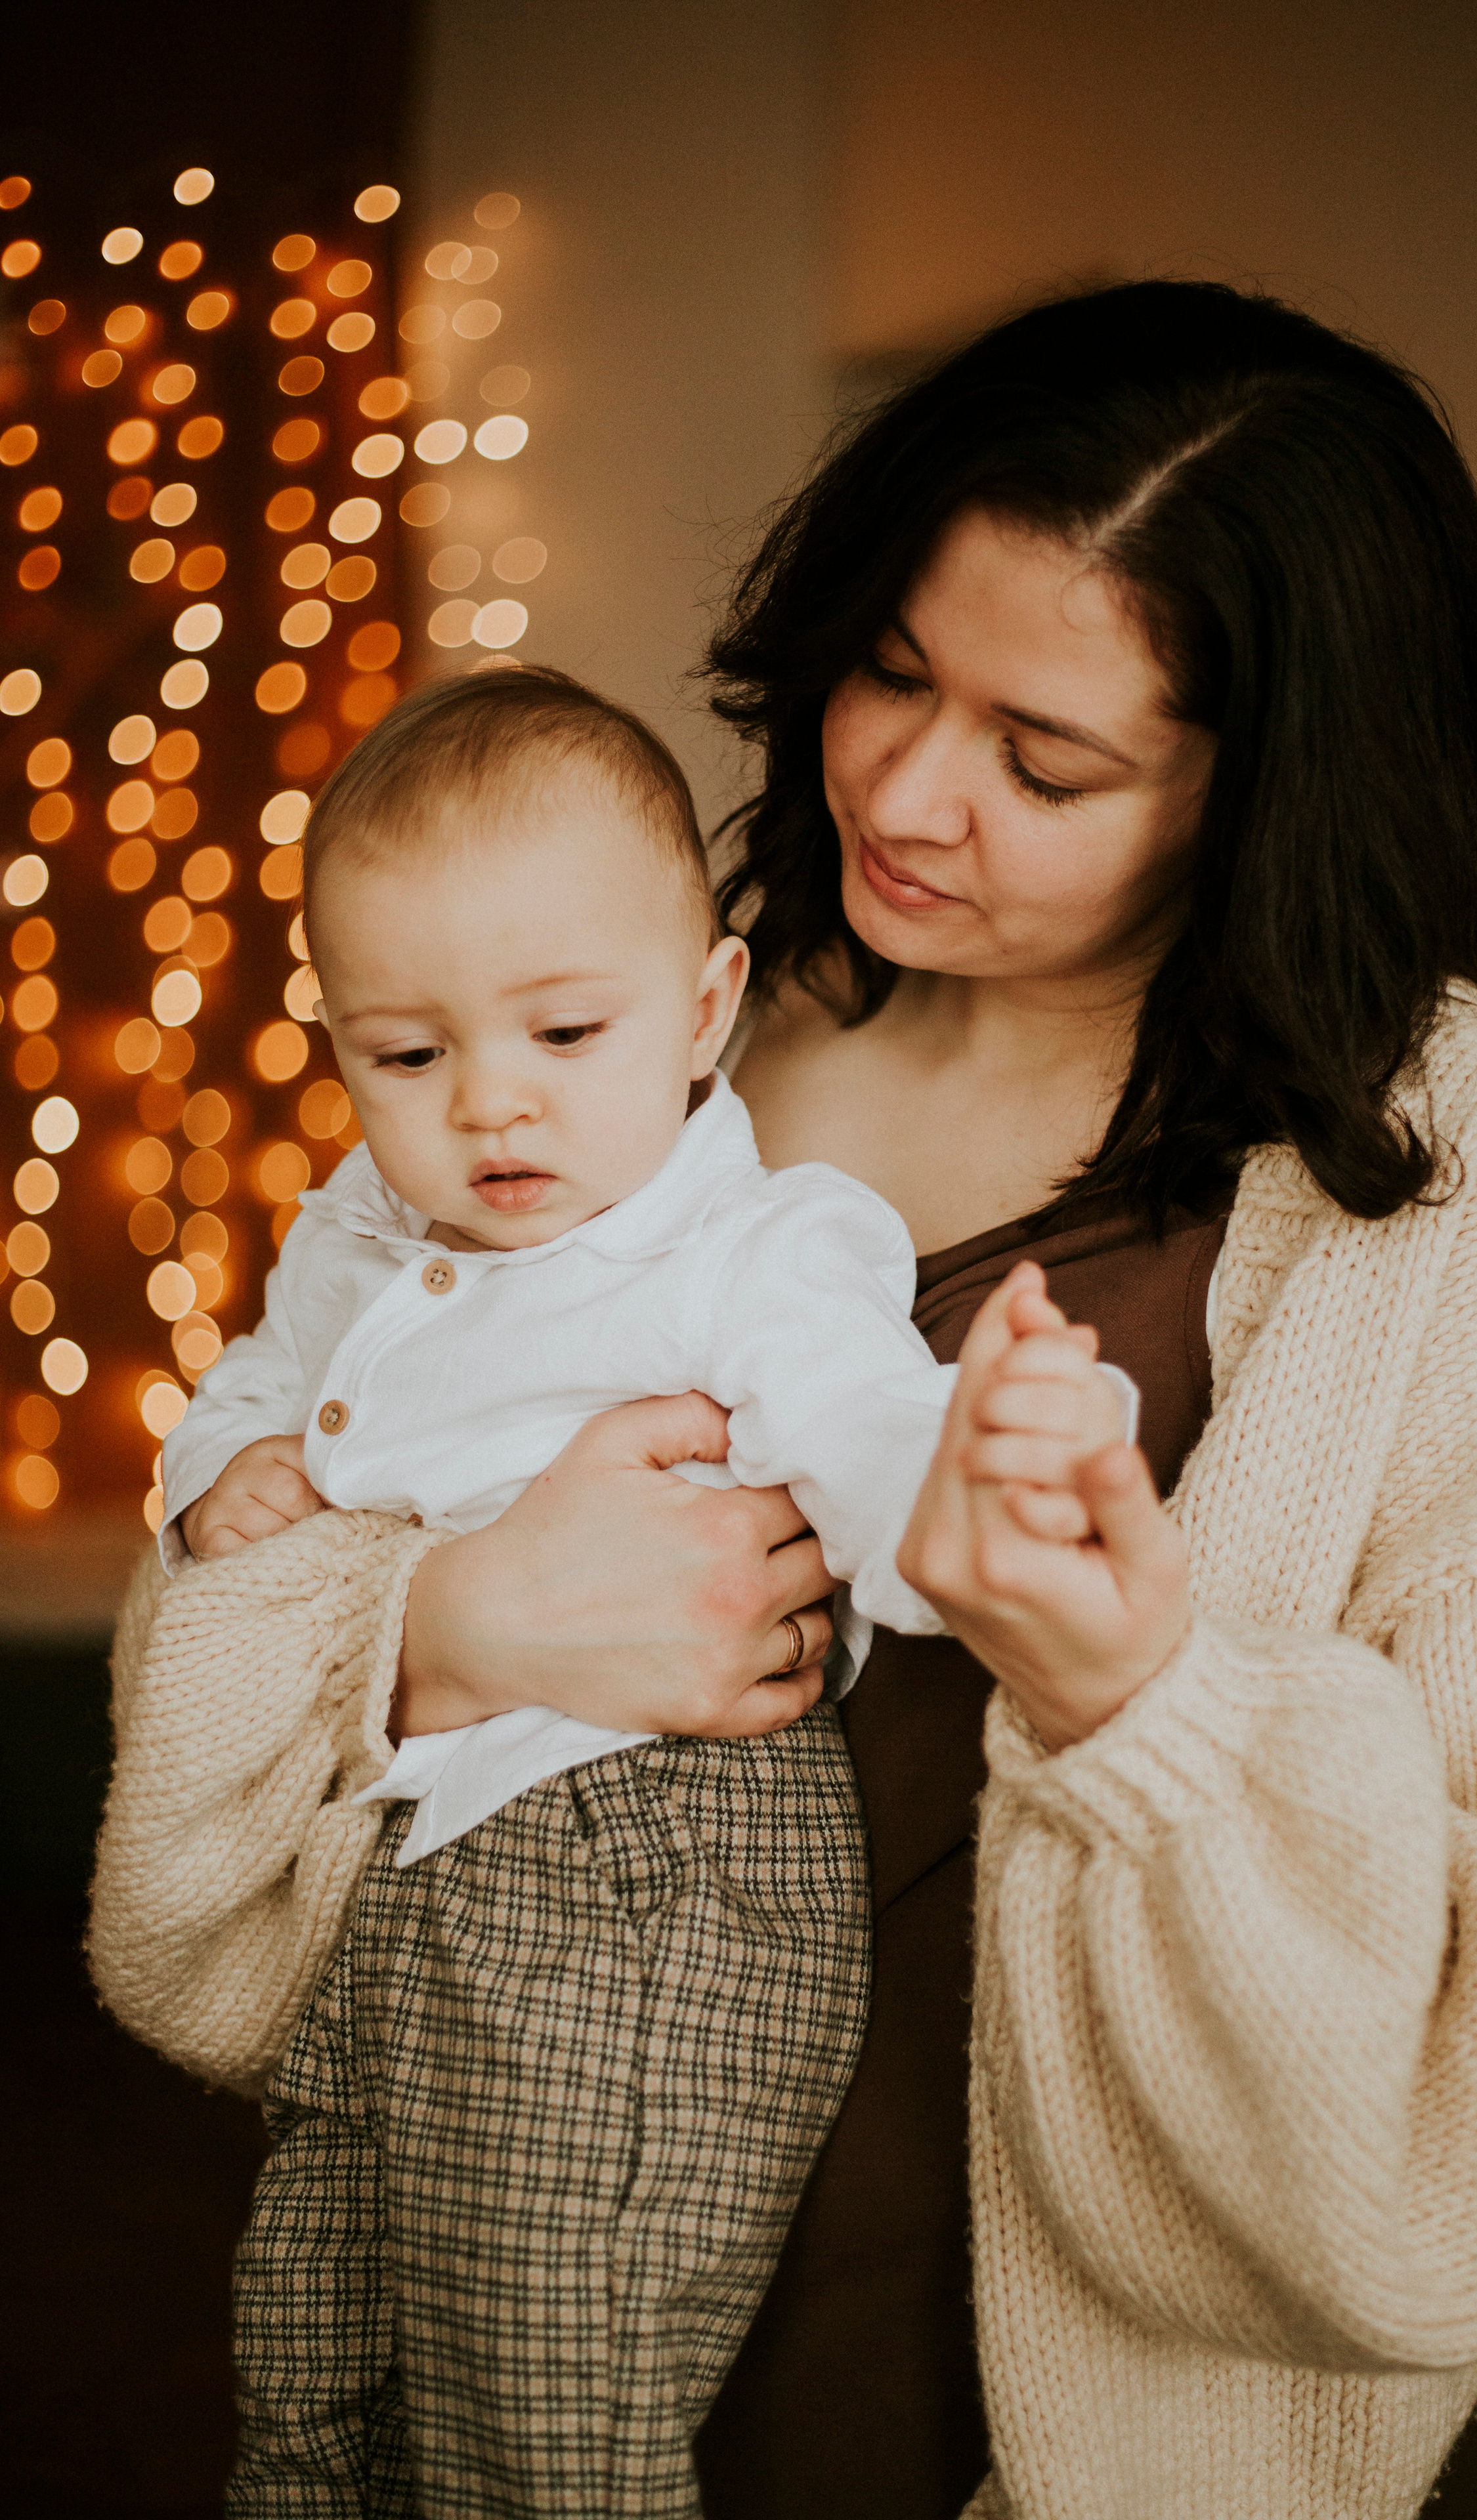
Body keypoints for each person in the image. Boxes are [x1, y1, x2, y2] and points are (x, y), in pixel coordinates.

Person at [91, 280, 1477, 2520]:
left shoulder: (1436, 1181)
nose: (909, 796)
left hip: (1028, 2399)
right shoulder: (630, 1019)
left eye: (1047, 763)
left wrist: (1145, 1695)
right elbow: (229, 1595)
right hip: (497, 2230)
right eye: (892, 673)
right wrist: (436, 1635)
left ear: (1270, 781)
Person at [142, 662, 1129, 2515]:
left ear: (702, 1015)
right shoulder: (358, 1228)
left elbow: (867, 1428)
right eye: (409, 1057)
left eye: (565, 1037)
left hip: (654, 1873)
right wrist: (222, 1487)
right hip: (404, 1878)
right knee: (315, 2352)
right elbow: (250, 1391)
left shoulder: (746, 1244)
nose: (489, 1111)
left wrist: (996, 1478)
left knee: (553, 2398)